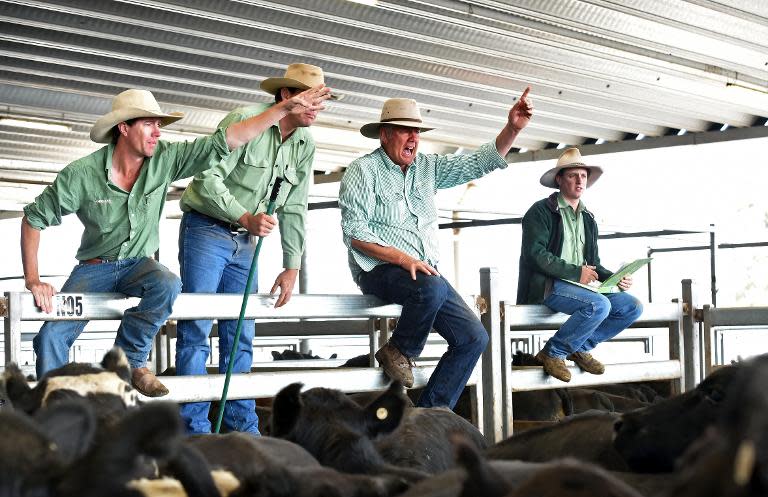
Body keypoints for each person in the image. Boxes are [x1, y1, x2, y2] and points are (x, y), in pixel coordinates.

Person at [21, 84, 331, 396]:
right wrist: (34, 280)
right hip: (94, 268)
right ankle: (56, 407)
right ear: (123, 128)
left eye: (159, 125)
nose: (157, 132)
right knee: (50, 338)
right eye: (148, 124)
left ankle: (129, 359)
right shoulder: (81, 174)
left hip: (139, 266)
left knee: (167, 283)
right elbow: (33, 219)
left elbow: (226, 140)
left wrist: (283, 110)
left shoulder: (166, 159)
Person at [339, 89, 533, 409]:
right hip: (380, 268)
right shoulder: (363, 170)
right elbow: (355, 234)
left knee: (474, 338)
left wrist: (512, 129)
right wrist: (403, 259)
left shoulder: (428, 167)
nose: (413, 138)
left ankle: (432, 413)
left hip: (424, 273)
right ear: (385, 134)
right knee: (429, 287)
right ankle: (399, 350)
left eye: (416, 131)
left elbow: (476, 163)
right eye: (405, 130)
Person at [175, 63, 338, 434]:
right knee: (197, 326)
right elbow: (207, 177)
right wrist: (244, 215)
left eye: (321, 99)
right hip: (207, 229)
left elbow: (296, 204)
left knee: (241, 332)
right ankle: (194, 429)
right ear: (285, 96)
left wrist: (292, 265)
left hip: (248, 243)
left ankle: (241, 424)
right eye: (311, 98)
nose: (317, 107)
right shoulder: (245, 121)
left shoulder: (304, 144)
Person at [516, 147, 643, 382]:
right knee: (598, 305)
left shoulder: (588, 218)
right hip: (548, 286)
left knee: (631, 306)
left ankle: (579, 346)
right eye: (573, 175)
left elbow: (593, 264)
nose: (579, 180)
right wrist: (576, 272)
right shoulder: (540, 212)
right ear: (559, 179)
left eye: (583, 176)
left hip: (580, 288)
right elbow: (535, 254)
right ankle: (553, 352)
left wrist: (615, 277)